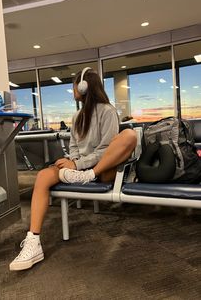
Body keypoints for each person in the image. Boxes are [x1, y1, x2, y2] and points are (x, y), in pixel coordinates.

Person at [9, 67, 137, 271]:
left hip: (102, 170)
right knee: (43, 176)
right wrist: (72, 161)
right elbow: (74, 148)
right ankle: (33, 241)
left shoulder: (108, 111)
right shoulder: (77, 116)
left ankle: (88, 176)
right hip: (80, 170)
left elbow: (105, 150)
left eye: (74, 86)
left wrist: (79, 165)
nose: (73, 90)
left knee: (129, 135)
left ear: (84, 86)